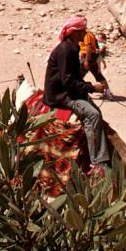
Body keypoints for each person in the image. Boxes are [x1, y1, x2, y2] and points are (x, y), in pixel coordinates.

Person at [44, 14, 111, 173]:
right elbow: (68, 81)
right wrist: (92, 88)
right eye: (82, 30)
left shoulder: (71, 48)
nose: (85, 33)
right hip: (61, 95)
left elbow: (74, 78)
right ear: (74, 32)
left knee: (95, 111)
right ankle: (98, 163)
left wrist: (87, 87)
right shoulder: (66, 50)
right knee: (92, 114)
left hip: (67, 90)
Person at [79, 28, 115, 100]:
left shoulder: (87, 35)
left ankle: (83, 93)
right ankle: (108, 93)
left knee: (78, 76)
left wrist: (86, 61)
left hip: (88, 58)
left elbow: (89, 47)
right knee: (98, 75)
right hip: (92, 58)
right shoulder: (89, 34)